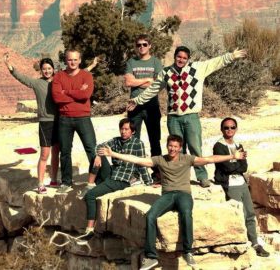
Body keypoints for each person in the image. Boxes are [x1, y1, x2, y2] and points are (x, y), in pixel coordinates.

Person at [97, 134, 247, 269]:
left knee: (186, 214)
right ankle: (151, 257)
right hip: (167, 195)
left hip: (183, 194)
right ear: (167, 146)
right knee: (150, 216)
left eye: (175, 147)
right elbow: (138, 160)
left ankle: (188, 252)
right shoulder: (160, 159)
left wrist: (232, 155)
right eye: (170, 146)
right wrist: (113, 153)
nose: (172, 149)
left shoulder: (187, 158)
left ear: (180, 148)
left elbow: (209, 159)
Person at [128, 46, 247, 188]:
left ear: (188, 59)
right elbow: (153, 89)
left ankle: (202, 176)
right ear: (175, 57)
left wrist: (231, 56)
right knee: (177, 149)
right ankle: (181, 177)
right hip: (174, 118)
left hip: (191, 117)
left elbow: (216, 62)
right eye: (179, 57)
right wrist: (137, 100)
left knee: (195, 147)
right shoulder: (166, 72)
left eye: (184, 58)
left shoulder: (197, 68)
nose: (181, 60)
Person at [76, 118, 153, 242]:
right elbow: (99, 146)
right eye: (122, 129)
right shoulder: (116, 141)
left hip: (122, 179)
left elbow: (141, 164)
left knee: (90, 196)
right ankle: (90, 185)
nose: (123, 132)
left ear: (132, 131)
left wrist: (149, 182)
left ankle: (89, 230)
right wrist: (98, 155)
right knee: (95, 156)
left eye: (126, 129)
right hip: (112, 173)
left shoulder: (138, 143)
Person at [213, 117, 270, 257]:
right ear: (222, 129)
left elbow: (244, 167)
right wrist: (236, 162)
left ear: (236, 129)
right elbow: (226, 167)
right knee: (239, 215)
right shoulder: (218, 146)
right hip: (230, 184)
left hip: (242, 183)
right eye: (226, 127)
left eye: (232, 127)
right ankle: (241, 241)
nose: (229, 130)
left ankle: (255, 242)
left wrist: (236, 163)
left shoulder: (238, 144)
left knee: (250, 213)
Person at [4, 53, 59, 194]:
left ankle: (54, 180)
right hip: (45, 122)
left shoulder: (59, 81)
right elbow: (22, 78)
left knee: (56, 153)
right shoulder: (36, 83)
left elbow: (73, 78)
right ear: (41, 70)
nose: (47, 71)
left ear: (53, 68)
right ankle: (40, 183)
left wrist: (91, 66)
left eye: (49, 68)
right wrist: (9, 66)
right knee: (44, 154)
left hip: (59, 121)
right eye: (44, 69)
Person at [52, 49, 97, 193]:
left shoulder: (86, 75)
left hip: (83, 117)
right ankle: (66, 182)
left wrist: (67, 92)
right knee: (65, 151)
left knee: (91, 149)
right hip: (64, 118)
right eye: (70, 59)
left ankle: (98, 179)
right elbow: (57, 98)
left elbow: (86, 95)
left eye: (75, 59)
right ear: (66, 60)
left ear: (80, 60)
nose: (72, 62)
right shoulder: (59, 76)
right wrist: (77, 91)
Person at [124, 34, 162, 182]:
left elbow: (157, 85)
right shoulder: (131, 62)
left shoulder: (156, 62)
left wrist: (136, 81)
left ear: (150, 46)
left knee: (155, 140)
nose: (141, 47)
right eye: (139, 45)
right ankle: (135, 173)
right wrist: (147, 79)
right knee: (133, 140)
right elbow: (128, 82)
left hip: (152, 106)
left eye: (144, 44)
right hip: (134, 107)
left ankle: (157, 172)